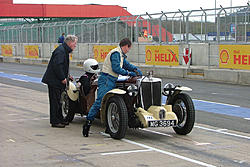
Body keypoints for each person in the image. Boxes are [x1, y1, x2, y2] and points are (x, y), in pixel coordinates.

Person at [82, 38, 142, 137]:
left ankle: (109, 127)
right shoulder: (116, 53)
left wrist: (135, 69)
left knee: (109, 102)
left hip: (111, 80)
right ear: (126, 46)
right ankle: (87, 123)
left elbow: (126, 64)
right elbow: (116, 68)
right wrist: (129, 73)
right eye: (129, 48)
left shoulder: (120, 54)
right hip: (106, 79)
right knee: (100, 102)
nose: (128, 50)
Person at [42, 35, 78, 128]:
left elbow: (62, 66)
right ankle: (55, 121)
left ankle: (60, 119)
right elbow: (57, 65)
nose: (75, 45)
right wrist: (62, 78)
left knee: (59, 101)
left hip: (57, 80)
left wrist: (67, 76)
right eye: (75, 43)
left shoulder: (64, 50)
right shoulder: (61, 51)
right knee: (55, 101)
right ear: (70, 43)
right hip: (54, 81)